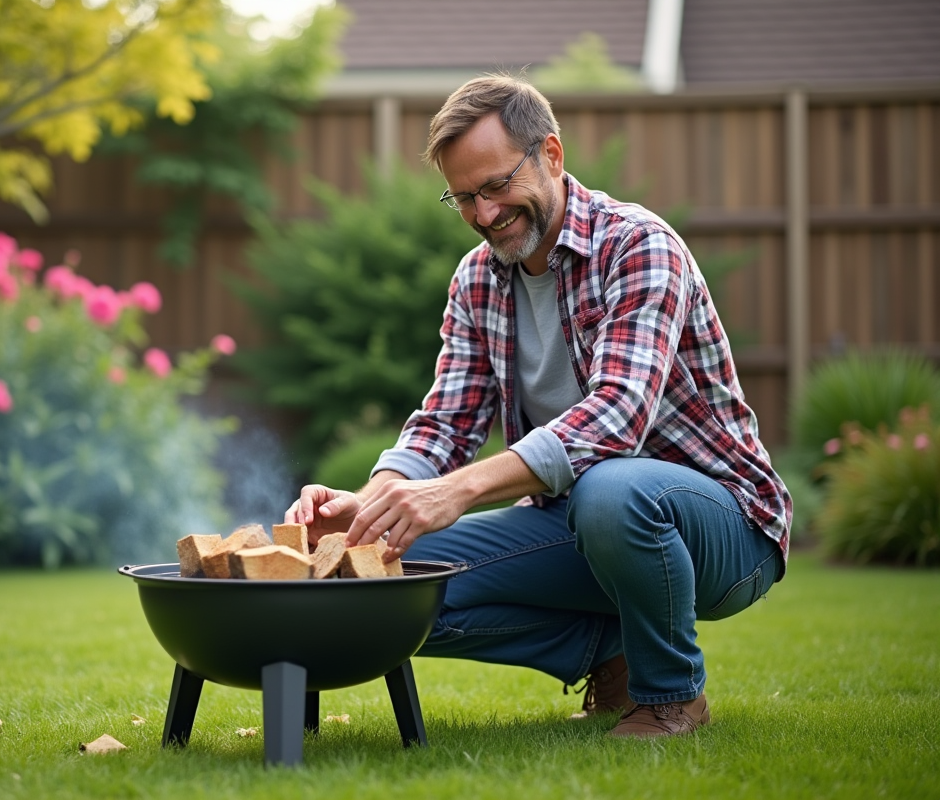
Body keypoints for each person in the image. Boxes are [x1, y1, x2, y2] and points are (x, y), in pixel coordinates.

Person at [284, 73, 792, 738]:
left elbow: (618, 416)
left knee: (610, 491)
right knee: (385, 598)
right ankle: (605, 651)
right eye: (464, 198)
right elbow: (445, 421)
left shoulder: (637, 244)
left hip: (724, 531)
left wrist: (459, 491)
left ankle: (671, 697)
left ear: (550, 155)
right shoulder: (476, 279)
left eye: (496, 186)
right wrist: (376, 502)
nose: (485, 213)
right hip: (574, 528)